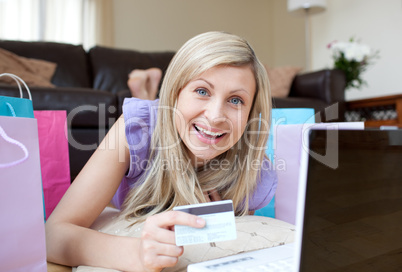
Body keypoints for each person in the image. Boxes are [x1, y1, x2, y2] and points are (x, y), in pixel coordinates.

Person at [45, 31, 277, 272]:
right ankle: (145, 94)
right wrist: (136, 254)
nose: (216, 115)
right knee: (157, 122)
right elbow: (52, 235)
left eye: (236, 100)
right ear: (175, 91)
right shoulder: (135, 130)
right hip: (154, 131)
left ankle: (149, 92)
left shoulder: (254, 168)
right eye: (202, 91)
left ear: (252, 114)